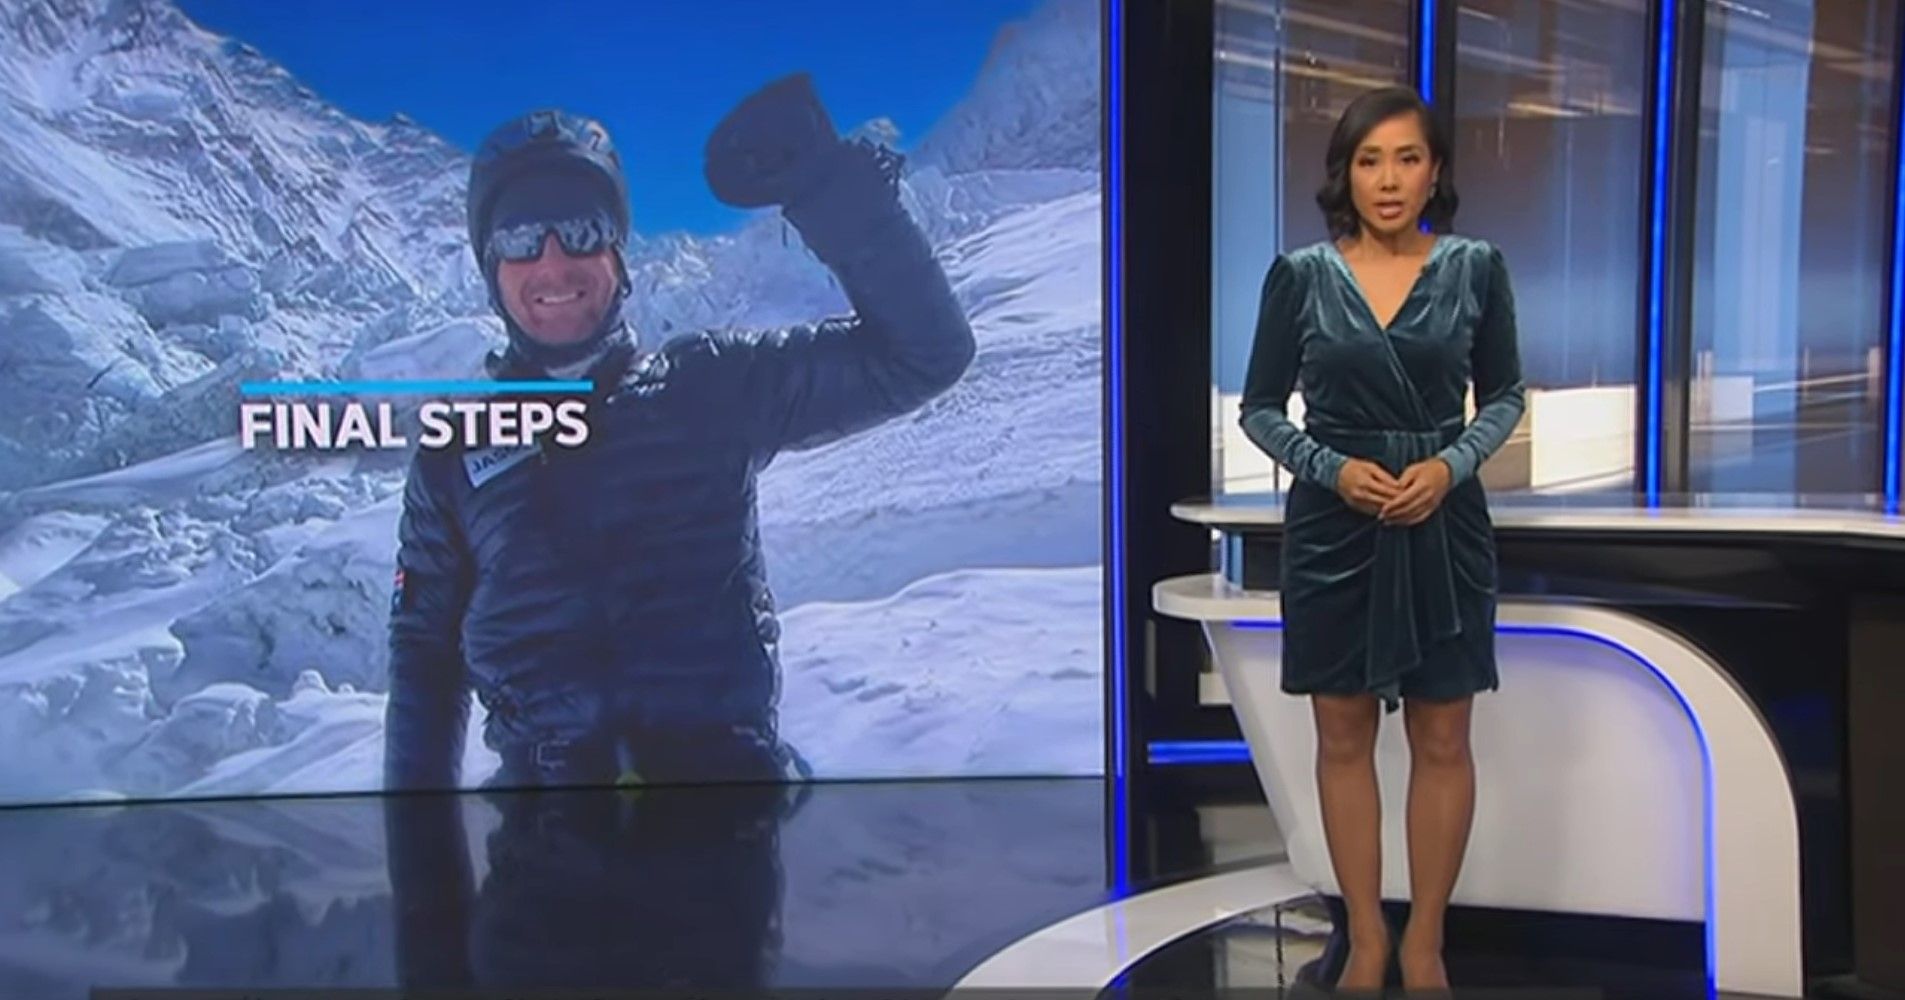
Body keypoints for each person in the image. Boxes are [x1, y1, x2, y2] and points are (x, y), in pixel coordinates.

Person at [383, 75, 976, 792]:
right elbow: (425, 660)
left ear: (618, 254)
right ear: (491, 268)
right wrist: (421, 853)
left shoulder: (711, 385)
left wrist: (830, 191)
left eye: (582, 230)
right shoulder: (453, 455)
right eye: (519, 239)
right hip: (544, 841)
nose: (554, 263)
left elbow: (923, 354)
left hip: (730, 828)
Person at [1238, 86, 1525, 992]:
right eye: (1370, 161)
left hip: (1442, 523)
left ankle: (1425, 941)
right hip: (1335, 528)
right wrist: (1330, 469)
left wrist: (1449, 466)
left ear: (1434, 172)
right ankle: (1364, 934)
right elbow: (1257, 408)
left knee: (1443, 737)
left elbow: (1506, 395)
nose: (1389, 179)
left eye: (1407, 159)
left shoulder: (1476, 269)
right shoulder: (1299, 277)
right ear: (1346, 175)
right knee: (1341, 737)